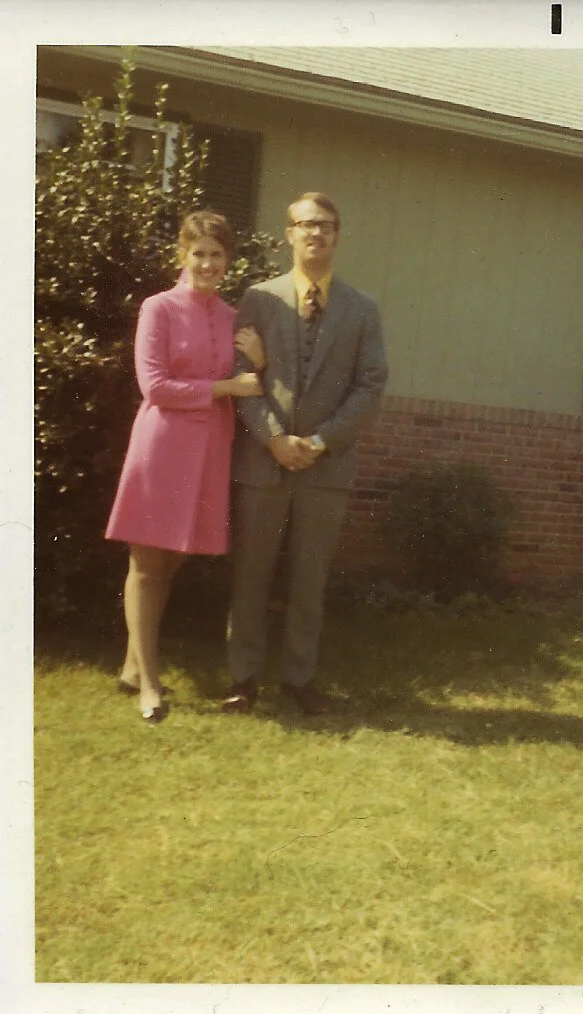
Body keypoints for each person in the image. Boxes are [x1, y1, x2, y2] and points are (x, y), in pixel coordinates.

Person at [222, 191, 388, 716]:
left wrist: (319, 442)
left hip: (325, 466)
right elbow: (240, 377)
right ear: (289, 233)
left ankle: (299, 678)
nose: (314, 233)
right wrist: (272, 437)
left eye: (325, 225)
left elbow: (370, 386)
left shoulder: (362, 310)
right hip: (262, 461)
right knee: (251, 573)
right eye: (304, 224)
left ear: (337, 235)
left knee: (309, 578)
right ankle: (243, 679)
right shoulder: (259, 299)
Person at [105, 211, 266, 723]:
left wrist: (258, 361)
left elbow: (253, 385)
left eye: (217, 254)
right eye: (198, 253)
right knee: (147, 567)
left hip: (208, 452)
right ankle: (150, 685)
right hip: (163, 446)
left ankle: (133, 664)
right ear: (182, 255)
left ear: (228, 260)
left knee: (171, 562)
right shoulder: (159, 308)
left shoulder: (231, 316)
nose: (207, 263)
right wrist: (223, 389)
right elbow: (154, 386)